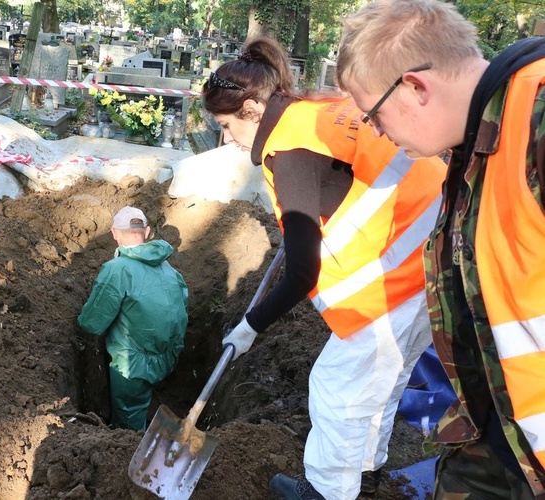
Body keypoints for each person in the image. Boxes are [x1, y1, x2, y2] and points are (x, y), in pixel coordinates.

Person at [204, 37, 447, 499]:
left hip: (394, 270)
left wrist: (251, 325)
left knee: (335, 387)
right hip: (434, 252)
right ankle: (365, 472)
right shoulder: (313, 110)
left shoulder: (290, 152)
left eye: (227, 126)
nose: (229, 140)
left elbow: (301, 272)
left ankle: (326, 491)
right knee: (385, 374)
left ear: (253, 109)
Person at [336, 0, 545, 497]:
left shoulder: (535, 125)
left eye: (374, 117)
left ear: (414, 86)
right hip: (500, 433)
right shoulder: (476, 145)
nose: (379, 135)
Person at [77, 207, 188, 431]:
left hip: (132, 365)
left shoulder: (117, 270)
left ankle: (130, 442)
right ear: (146, 232)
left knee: (129, 419)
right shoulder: (169, 268)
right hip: (168, 356)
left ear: (114, 233)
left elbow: (92, 322)